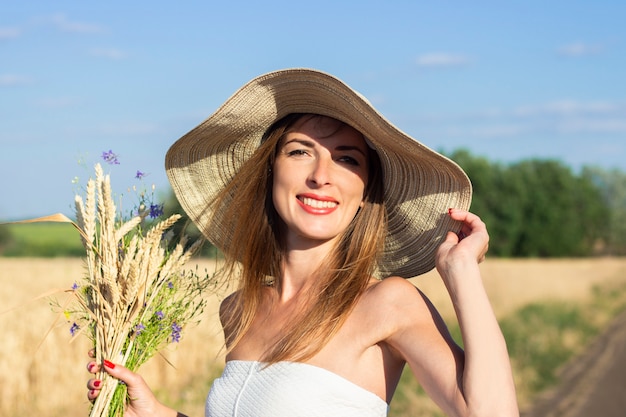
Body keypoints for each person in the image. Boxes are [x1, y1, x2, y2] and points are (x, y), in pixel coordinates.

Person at [86, 68, 519, 416]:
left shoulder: (389, 303)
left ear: (366, 191)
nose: (321, 175)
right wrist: (153, 411)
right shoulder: (239, 308)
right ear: (270, 170)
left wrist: (461, 273)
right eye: (299, 151)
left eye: (347, 159)